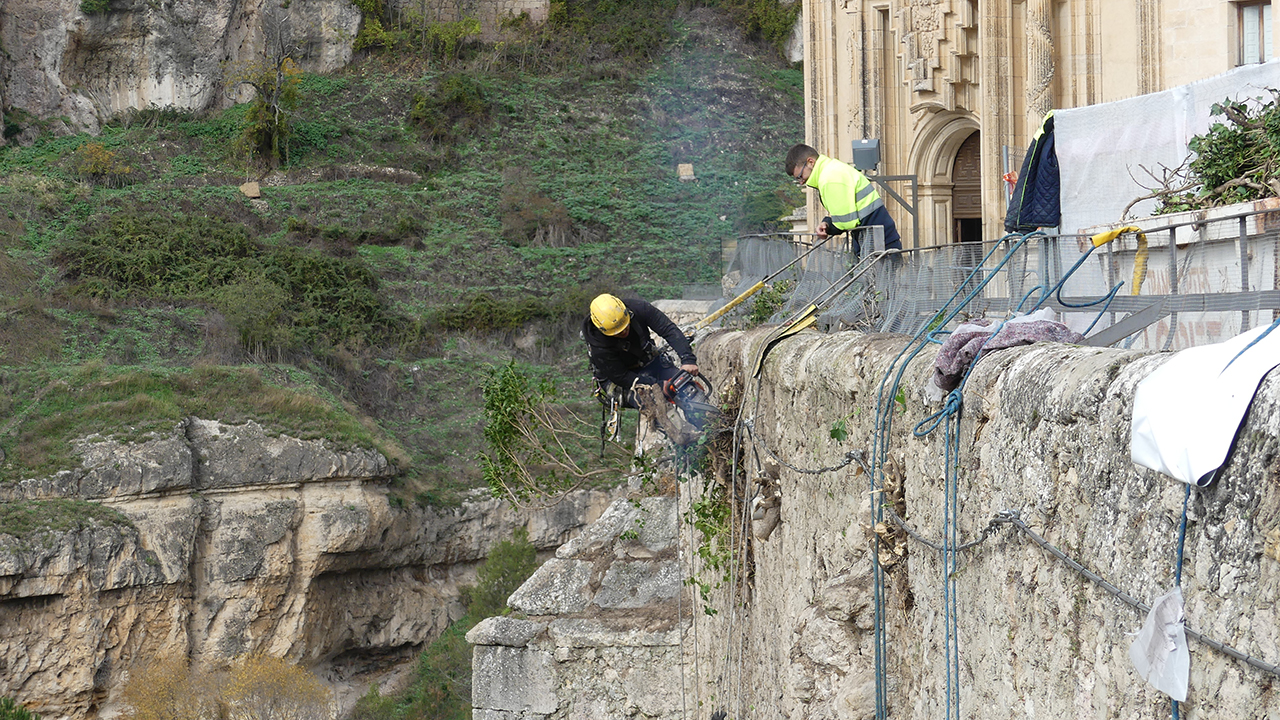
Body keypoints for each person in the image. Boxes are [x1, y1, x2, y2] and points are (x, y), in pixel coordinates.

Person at [582, 293, 698, 409]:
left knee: (689, 390)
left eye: (625, 326)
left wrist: (687, 359)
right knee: (653, 404)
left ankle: (707, 421)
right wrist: (657, 385)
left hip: (650, 363)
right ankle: (665, 426)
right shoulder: (598, 345)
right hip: (620, 380)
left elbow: (668, 329)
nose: (623, 332)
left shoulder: (639, 308)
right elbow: (621, 376)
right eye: (617, 332)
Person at [785, 143, 902, 254]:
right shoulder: (832, 169)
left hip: (878, 246)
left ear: (810, 162)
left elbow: (846, 222)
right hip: (878, 239)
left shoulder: (829, 179)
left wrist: (828, 227)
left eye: (800, 176)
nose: (801, 182)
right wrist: (827, 222)